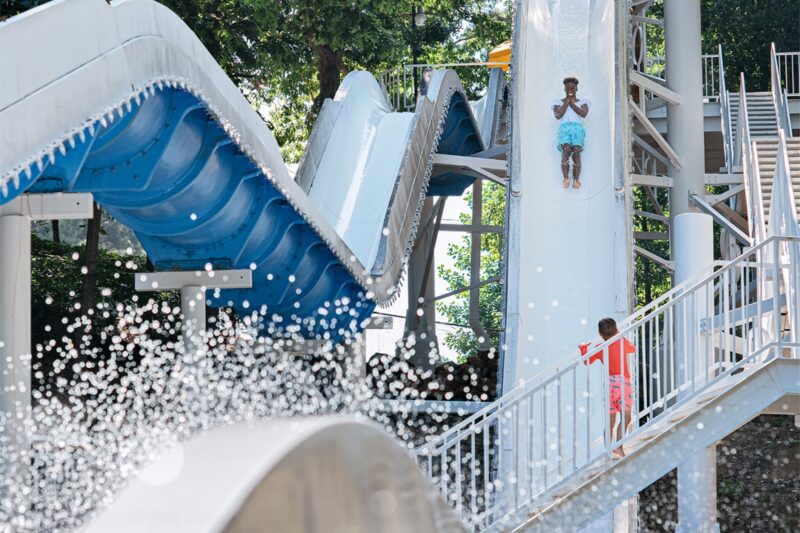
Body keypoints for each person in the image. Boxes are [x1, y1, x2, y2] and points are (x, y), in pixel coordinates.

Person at [580, 317, 635, 458]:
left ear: (600, 334)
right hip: (623, 383)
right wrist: (621, 335)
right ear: (616, 330)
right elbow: (633, 348)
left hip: (610, 384)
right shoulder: (621, 342)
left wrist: (583, 348)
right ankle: (619, 447)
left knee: (610, 421)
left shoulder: (601, 347)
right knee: (626, 417)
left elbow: (586, 361)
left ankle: (608, 450)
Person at [552, 77, 590, 189]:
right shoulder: (558, 102)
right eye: (567, 87)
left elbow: (584, 113)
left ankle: (576, 180)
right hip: (564, 128)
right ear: (564, 88)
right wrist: (567, 103)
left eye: (572, 87)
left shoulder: (583, 102)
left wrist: (572, 104)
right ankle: (566, 178)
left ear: (576, 88)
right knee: (566, 149)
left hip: (577, 129)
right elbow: (557, 115)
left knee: (577, 151)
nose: (570, 90)